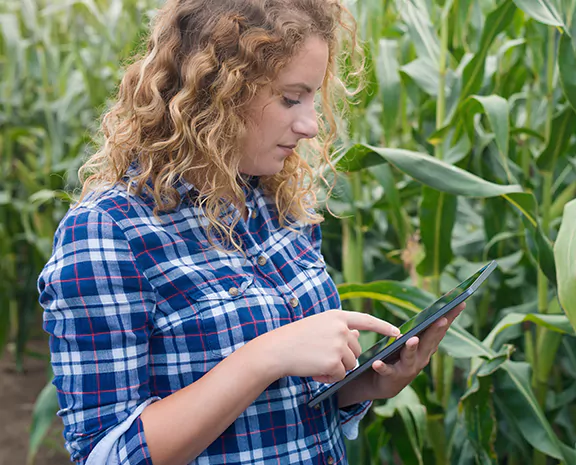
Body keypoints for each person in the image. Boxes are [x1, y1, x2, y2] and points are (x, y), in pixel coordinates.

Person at [36, 0, 465, 464]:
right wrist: (266, 356)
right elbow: (104, 454)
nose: (311, 125)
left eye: (313, 98)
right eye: (290, 98)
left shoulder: (277, 202)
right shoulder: (108, 232)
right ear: (216, 90)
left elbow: (284, 408)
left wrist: (368, 384)